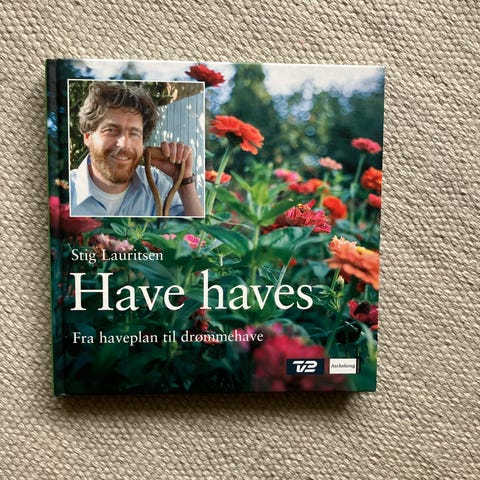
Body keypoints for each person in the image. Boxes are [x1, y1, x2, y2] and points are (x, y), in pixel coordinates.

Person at [70, 82, 204, 217]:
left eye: (134, 133)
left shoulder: (157, 185)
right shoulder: (67, 191)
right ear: (87, 137)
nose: (124, 144)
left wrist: (183, 180)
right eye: (111, 130)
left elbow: (195, 230)